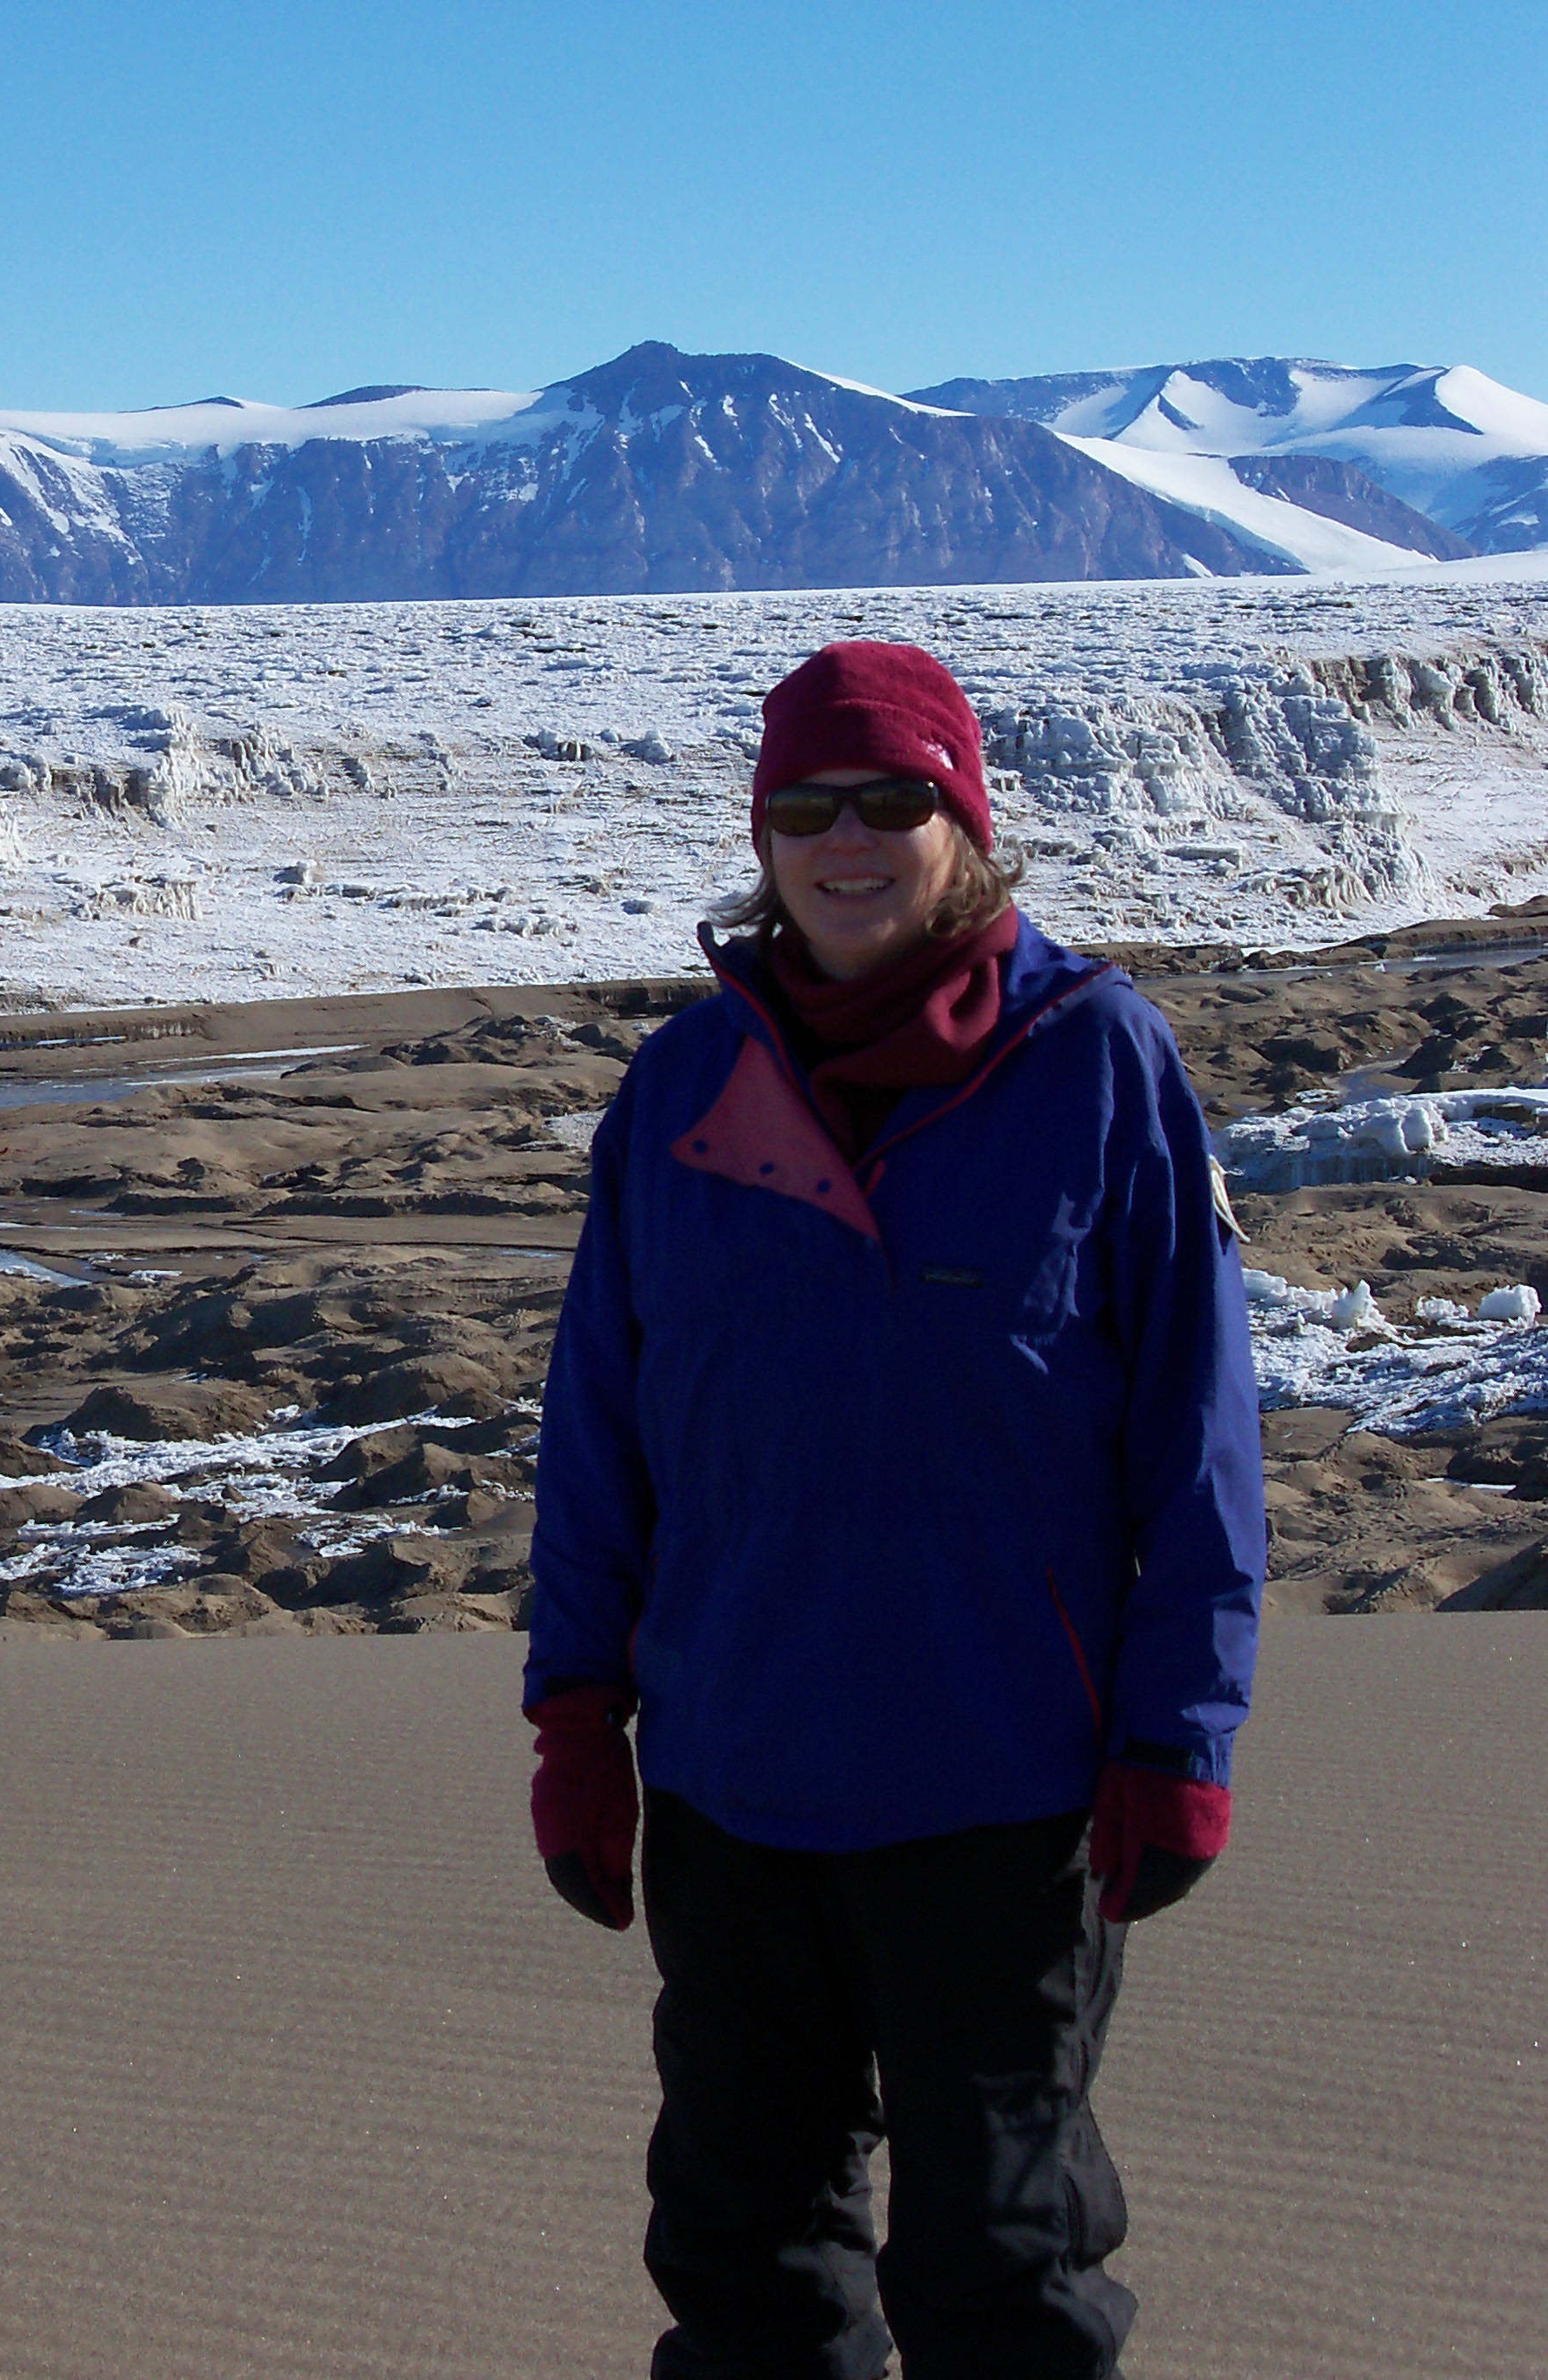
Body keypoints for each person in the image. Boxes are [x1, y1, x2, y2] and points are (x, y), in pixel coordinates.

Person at [523, 641, 1263, 2380]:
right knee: (742, 2258)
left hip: (1005, 1800)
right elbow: (599, 1436)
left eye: (893, 802)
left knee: (1001, 2269)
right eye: (805, 807)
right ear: (762, 835)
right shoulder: (682, 1095)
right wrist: (577, 1722)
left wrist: (1185, 1739)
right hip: (733, 1788)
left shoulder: (1097, 1067)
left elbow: (1197, 1444)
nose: (846, 842)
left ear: (967, 821)